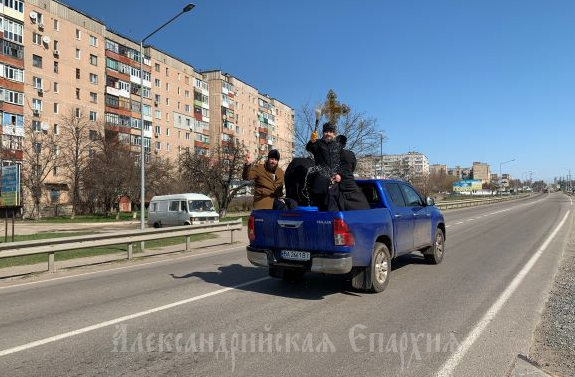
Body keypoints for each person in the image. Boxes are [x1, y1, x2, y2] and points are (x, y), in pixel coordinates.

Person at [305, 122, 342, 210]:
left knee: (333, 210)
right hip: (320, 184)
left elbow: (342, 162)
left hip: (334, 184)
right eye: (326, 131)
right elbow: (309, 147)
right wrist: (312, 141)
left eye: (330, 131)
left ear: (334, 133)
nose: (328, 134)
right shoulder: (318, 143)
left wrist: (340, 174)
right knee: (319, 210)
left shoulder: (337, 146)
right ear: (323, 132)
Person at [334, 135, 370, 210]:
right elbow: (353, 167)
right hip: (349, 183)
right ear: (345, 144)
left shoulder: (332, 154)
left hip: (337, 184)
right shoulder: (350, 154)